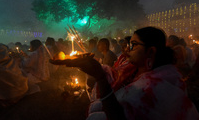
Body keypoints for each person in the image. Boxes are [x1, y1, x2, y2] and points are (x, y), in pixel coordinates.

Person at [50, 27, 199, 120]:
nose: (127, 49)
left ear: (151, 51)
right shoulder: (133, 67)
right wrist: (92, 68)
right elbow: (114, 74)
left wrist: (100, 77)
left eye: (133, 45)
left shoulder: (161, 86)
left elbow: (118, 117)